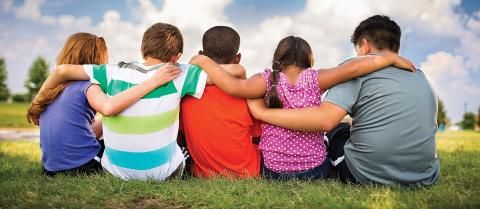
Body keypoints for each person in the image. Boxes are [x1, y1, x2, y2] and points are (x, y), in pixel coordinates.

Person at [247, 15, 440, 186]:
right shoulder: (420, 76)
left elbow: (324, 120)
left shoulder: (355, 70)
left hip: (368, 173)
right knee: (344, 126)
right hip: (425, 174)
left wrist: (263, 112)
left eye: (357, 50)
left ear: (364, 46)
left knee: (335, 130)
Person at [188, 35, 415, 180]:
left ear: (278, 58)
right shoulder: (315, 78)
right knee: (336, 134)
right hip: (314, 170)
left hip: (274, 171)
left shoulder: (267, 80)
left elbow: (234, 86)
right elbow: (353, 68)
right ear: (309, 58)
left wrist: (203, 61)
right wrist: (389, 58)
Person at [29, 23, 207, 180]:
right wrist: (154, 81)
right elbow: (108, 108)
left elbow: (60, 71)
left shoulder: (99, 75)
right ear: (177, 56)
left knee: (108, 129)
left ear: (142, 50)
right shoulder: (180, 72)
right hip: (155, 173)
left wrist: (35, 105)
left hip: (78, 168)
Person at [180, 26, 261, 178]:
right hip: (250, 171)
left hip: (203, 174)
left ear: (201, 55)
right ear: (237, 58)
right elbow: (258, 136)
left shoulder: (185, 94)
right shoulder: (247, 93)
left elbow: (182, 137)